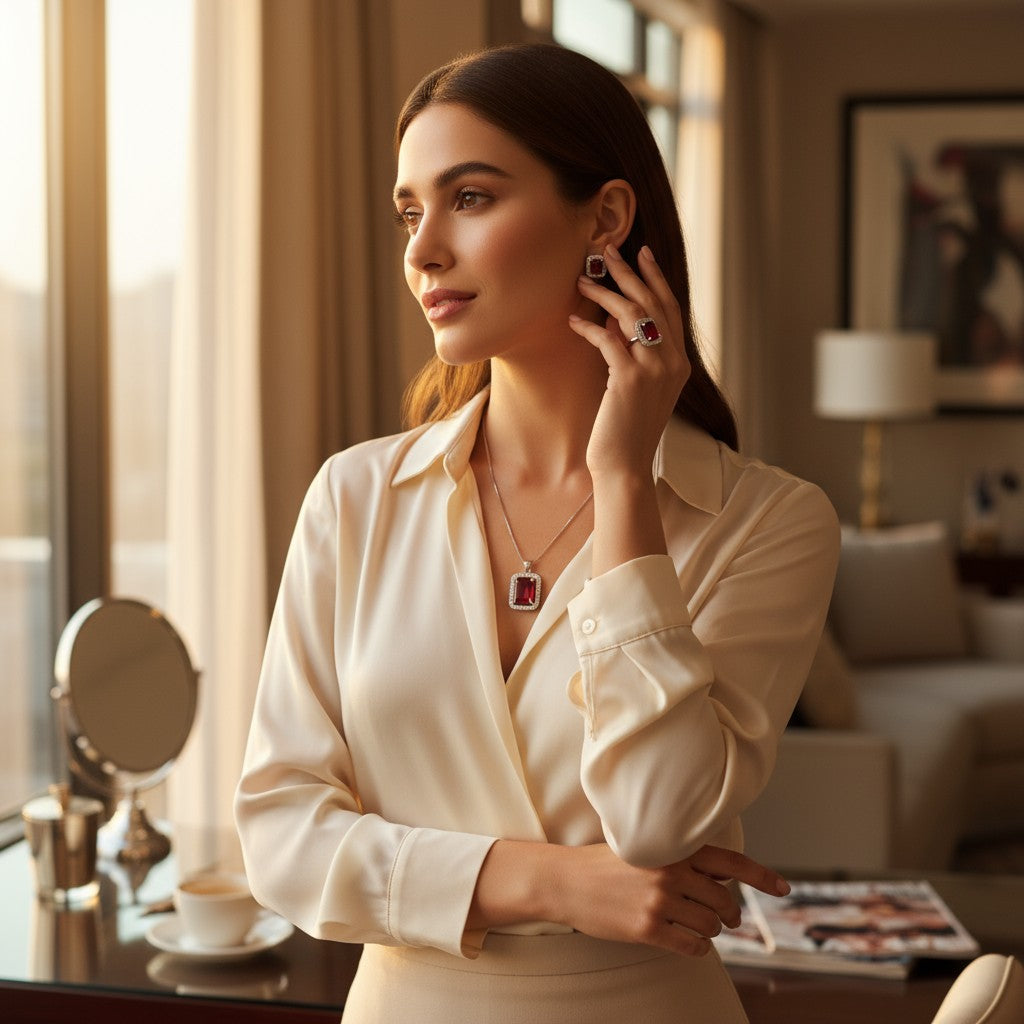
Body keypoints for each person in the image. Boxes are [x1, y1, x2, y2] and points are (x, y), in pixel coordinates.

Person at [235, 42, 839, 1023]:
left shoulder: (768, 522)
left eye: (469, 198)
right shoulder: (355, 497)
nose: (423, 250)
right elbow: (280, 837)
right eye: (410, 212)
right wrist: (555, 883)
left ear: (605, 217)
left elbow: (657, 818)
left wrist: (623, 480)